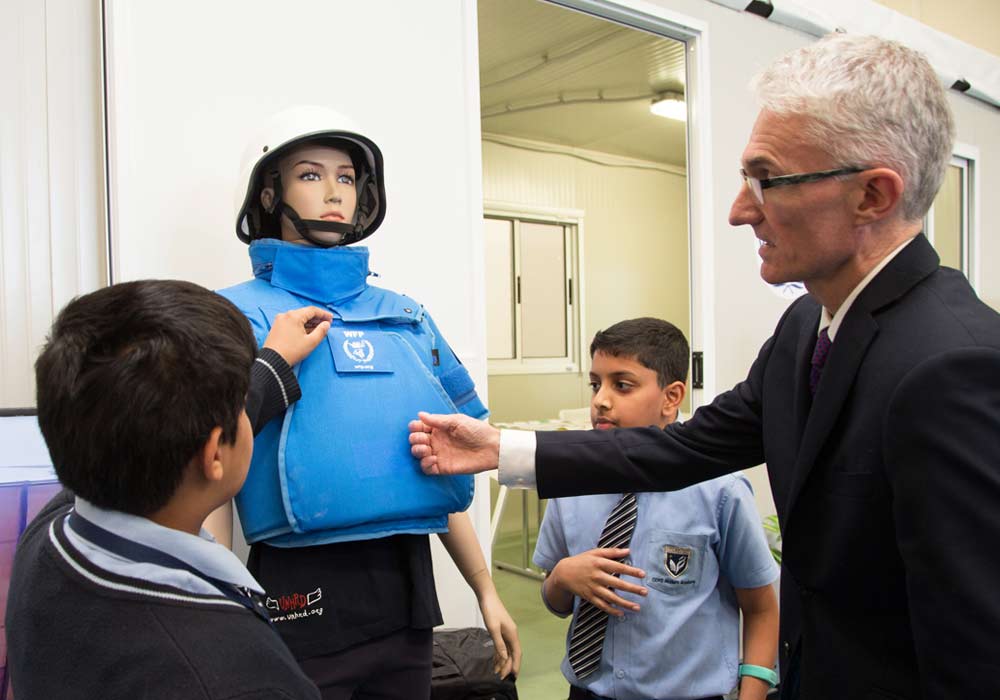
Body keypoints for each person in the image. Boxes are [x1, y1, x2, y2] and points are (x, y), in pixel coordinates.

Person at [409, 34, 1000, 700]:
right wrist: (502, 450)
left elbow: (975, 652)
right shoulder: (805, 327)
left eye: (766, 180)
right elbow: (684, 449)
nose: (740, 210)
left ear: (873, 195)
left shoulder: (955, 365)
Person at [217, 105, 520, 700]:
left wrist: (485, 588)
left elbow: (441, 462)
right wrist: (216, 602)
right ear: (270, 194)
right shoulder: (234, 314)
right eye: (310, 174)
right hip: (299, 599)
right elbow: (209, 466)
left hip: (406, 600)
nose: (334, 191)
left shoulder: (405, 316)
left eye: (347, 177)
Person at [5, 280, 333, 700]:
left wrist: (271, 364)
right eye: (241, 403)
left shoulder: (47, 537)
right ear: (214, 452)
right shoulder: (242, 678)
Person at [534, 318, 779, 700]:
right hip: (587, 692)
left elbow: (761, 609)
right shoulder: (573, 481)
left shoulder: (720, 490)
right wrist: (562, 577)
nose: (600, 400)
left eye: (622, 385)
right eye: (596, 384)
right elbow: (555, 600)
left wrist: (753, 693)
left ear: (671, 397)